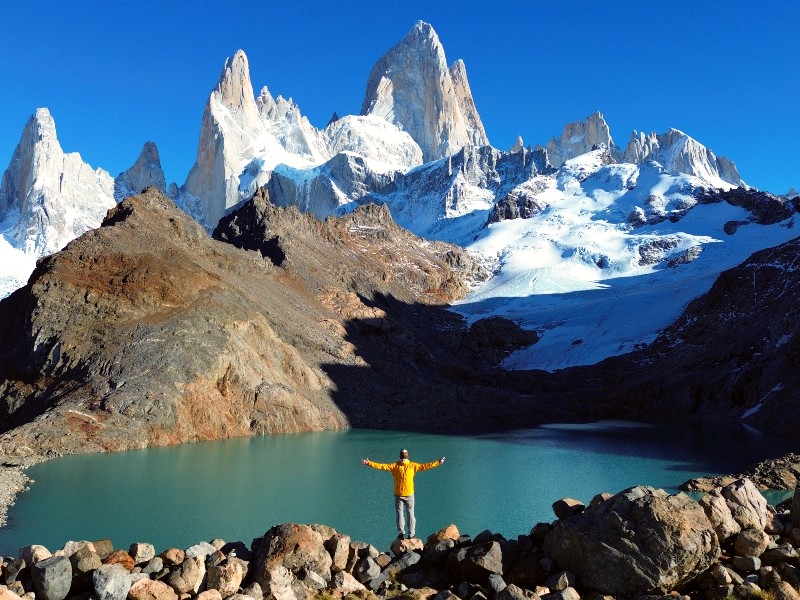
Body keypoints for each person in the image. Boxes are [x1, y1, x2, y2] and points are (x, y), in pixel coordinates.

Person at [362, 449, 445, 539]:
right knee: (410, 513)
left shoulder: (395, 466)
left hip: (398, 494)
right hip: (409, 494)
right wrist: (438, 462)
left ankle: (401, 533)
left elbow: (382, 466)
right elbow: (426, 466)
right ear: (407, 456)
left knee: (399, 514)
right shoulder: (413, 466)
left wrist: (369, 463)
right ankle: (411, 534)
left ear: (400, 456)